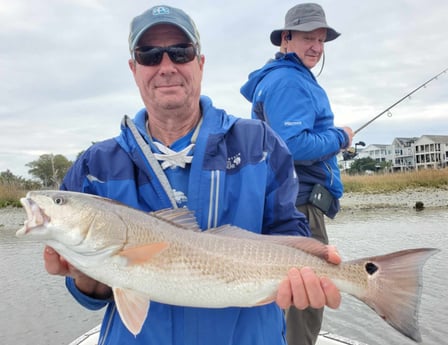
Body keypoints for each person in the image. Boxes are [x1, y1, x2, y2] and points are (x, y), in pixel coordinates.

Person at [43, 5, 341, 345]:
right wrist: (86, 275)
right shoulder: (95, 166)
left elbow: (289, 232)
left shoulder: (259, 144)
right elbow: (89, 295)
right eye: (150, 55)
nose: (166, 66)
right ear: (133, 68)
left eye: (180, 52)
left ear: (200, 63)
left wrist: (306, 276)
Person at [240, 3, 353, 345]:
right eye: (308, 38)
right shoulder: (290, 81)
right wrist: (341, 137)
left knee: (287, 292)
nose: (316, 47)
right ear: (286, 39)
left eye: (321, 40)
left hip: (286, 202)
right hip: (300, 206)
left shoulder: (278, 78)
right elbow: (291, 144)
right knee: (307, 299)